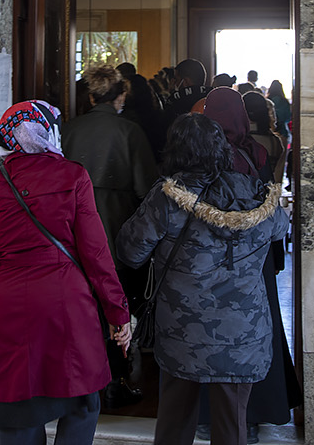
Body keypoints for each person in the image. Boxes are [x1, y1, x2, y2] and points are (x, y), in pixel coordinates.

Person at [0, 100, 133, 445]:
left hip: (4, 302)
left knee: (14, 402)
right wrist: (117, 312)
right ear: (47, 132)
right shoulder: (73, 176)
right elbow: (96, 255)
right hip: (65, 302)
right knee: (80, 399)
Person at [117, 114, 288, 445]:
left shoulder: (166, 197)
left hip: (184, 331)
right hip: (243, 332)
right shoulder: (255, 193)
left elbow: (130, 252)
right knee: (232, 426)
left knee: (174, 423)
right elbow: (279, 229)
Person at [198, 88, 301, 441]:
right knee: (257, 330)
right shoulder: (257, 151)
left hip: (208, 257)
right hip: (253, 257)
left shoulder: (200, 153)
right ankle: (254, 414)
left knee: (207, 331)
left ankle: (208, 415)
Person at [62, 66, 160, 406]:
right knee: (116, 306)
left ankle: (79, 380)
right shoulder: (130, 132)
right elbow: (146, 189)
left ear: (90, 98)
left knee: (79, 308)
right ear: (121, 96)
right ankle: (115, 378)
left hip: (70, 235)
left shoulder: (68, 130)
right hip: (117, 233)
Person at [162, 59, 211, 130]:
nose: (173, 83)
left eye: (176, 79)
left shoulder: (176, 101)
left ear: (185, 81)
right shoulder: (213, 96)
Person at [266, 80, 292, 145]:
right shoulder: (284, 101)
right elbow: (288, 118)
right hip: (282, 131)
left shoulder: (267, 101)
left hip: (269, 131)